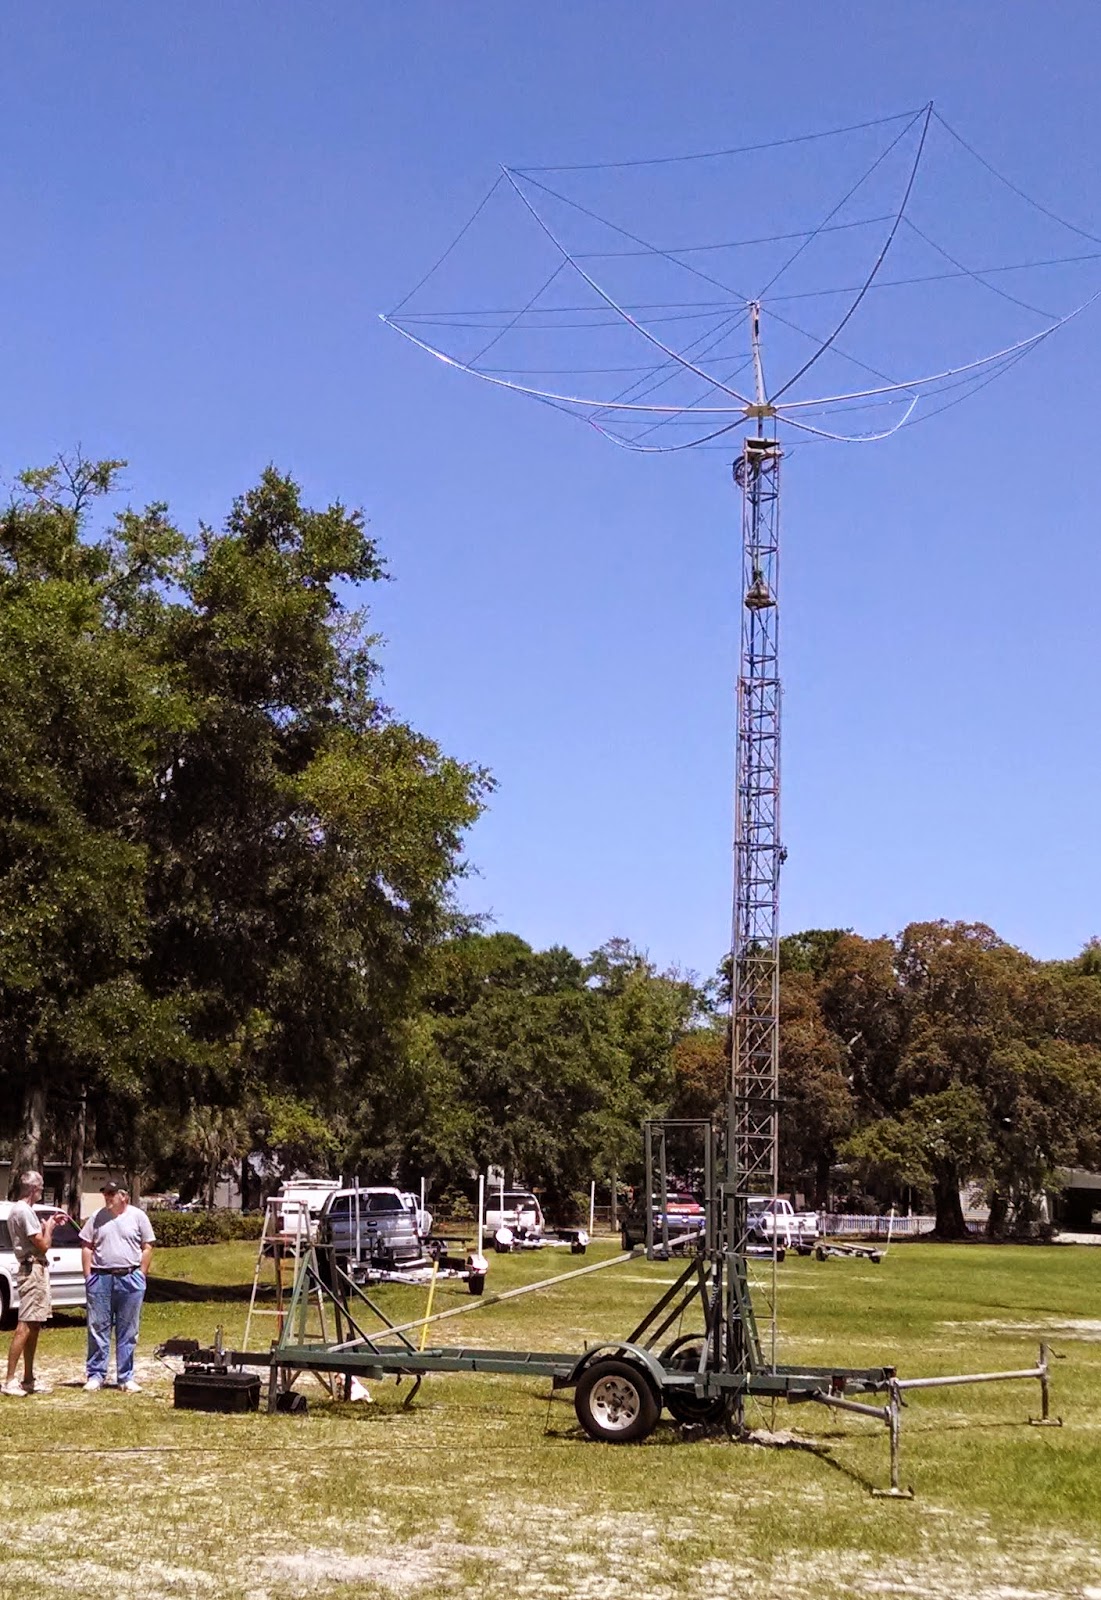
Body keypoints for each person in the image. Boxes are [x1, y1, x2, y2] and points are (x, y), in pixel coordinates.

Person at [79, 1181, 156, 1393]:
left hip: (130, 1278)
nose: (107, 1197)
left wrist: (141, 1274)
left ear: (124, 1197)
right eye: (105, 1193)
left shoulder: (138, 1216)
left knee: (128, 1330)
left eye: (112, 1194)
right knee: (97, 1327)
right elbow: (86, 1246)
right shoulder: (97, 1217)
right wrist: (88, 1277)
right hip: (101, 1278)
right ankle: (96, 1375)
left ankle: (125, 1377)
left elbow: (148, 1246)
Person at [3, 1170, 66, 1397]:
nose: (41, 1192)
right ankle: (9, 1380)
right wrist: (48, 1229)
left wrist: (48, 1225)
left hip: (36, 1269)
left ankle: (28, 1378)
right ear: (33, 1189)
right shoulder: (23, 1210)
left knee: (35, 1324)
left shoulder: (21, 1210)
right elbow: (42, 1245)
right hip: (32, 1271)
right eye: (40, 1188)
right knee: (24, 1326)